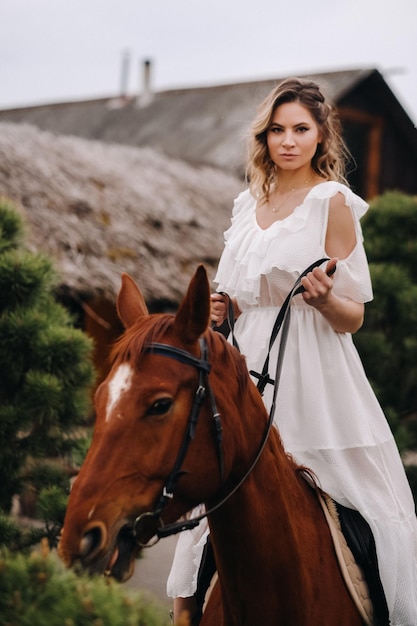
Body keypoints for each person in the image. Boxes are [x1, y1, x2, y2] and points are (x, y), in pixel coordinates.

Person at [168, 77, 417, 625]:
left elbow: (354, 314)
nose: (288, 140)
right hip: (243, 364)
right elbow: (239, 298)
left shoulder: (332, 203)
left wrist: (327, 300)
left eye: (300, 129)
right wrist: (221, 312)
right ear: (264, 137)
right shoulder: (245, 205)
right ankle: (187, 608)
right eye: (277, 129)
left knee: (369, 502)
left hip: (314, 365)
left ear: (321, 136)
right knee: (224, 487)